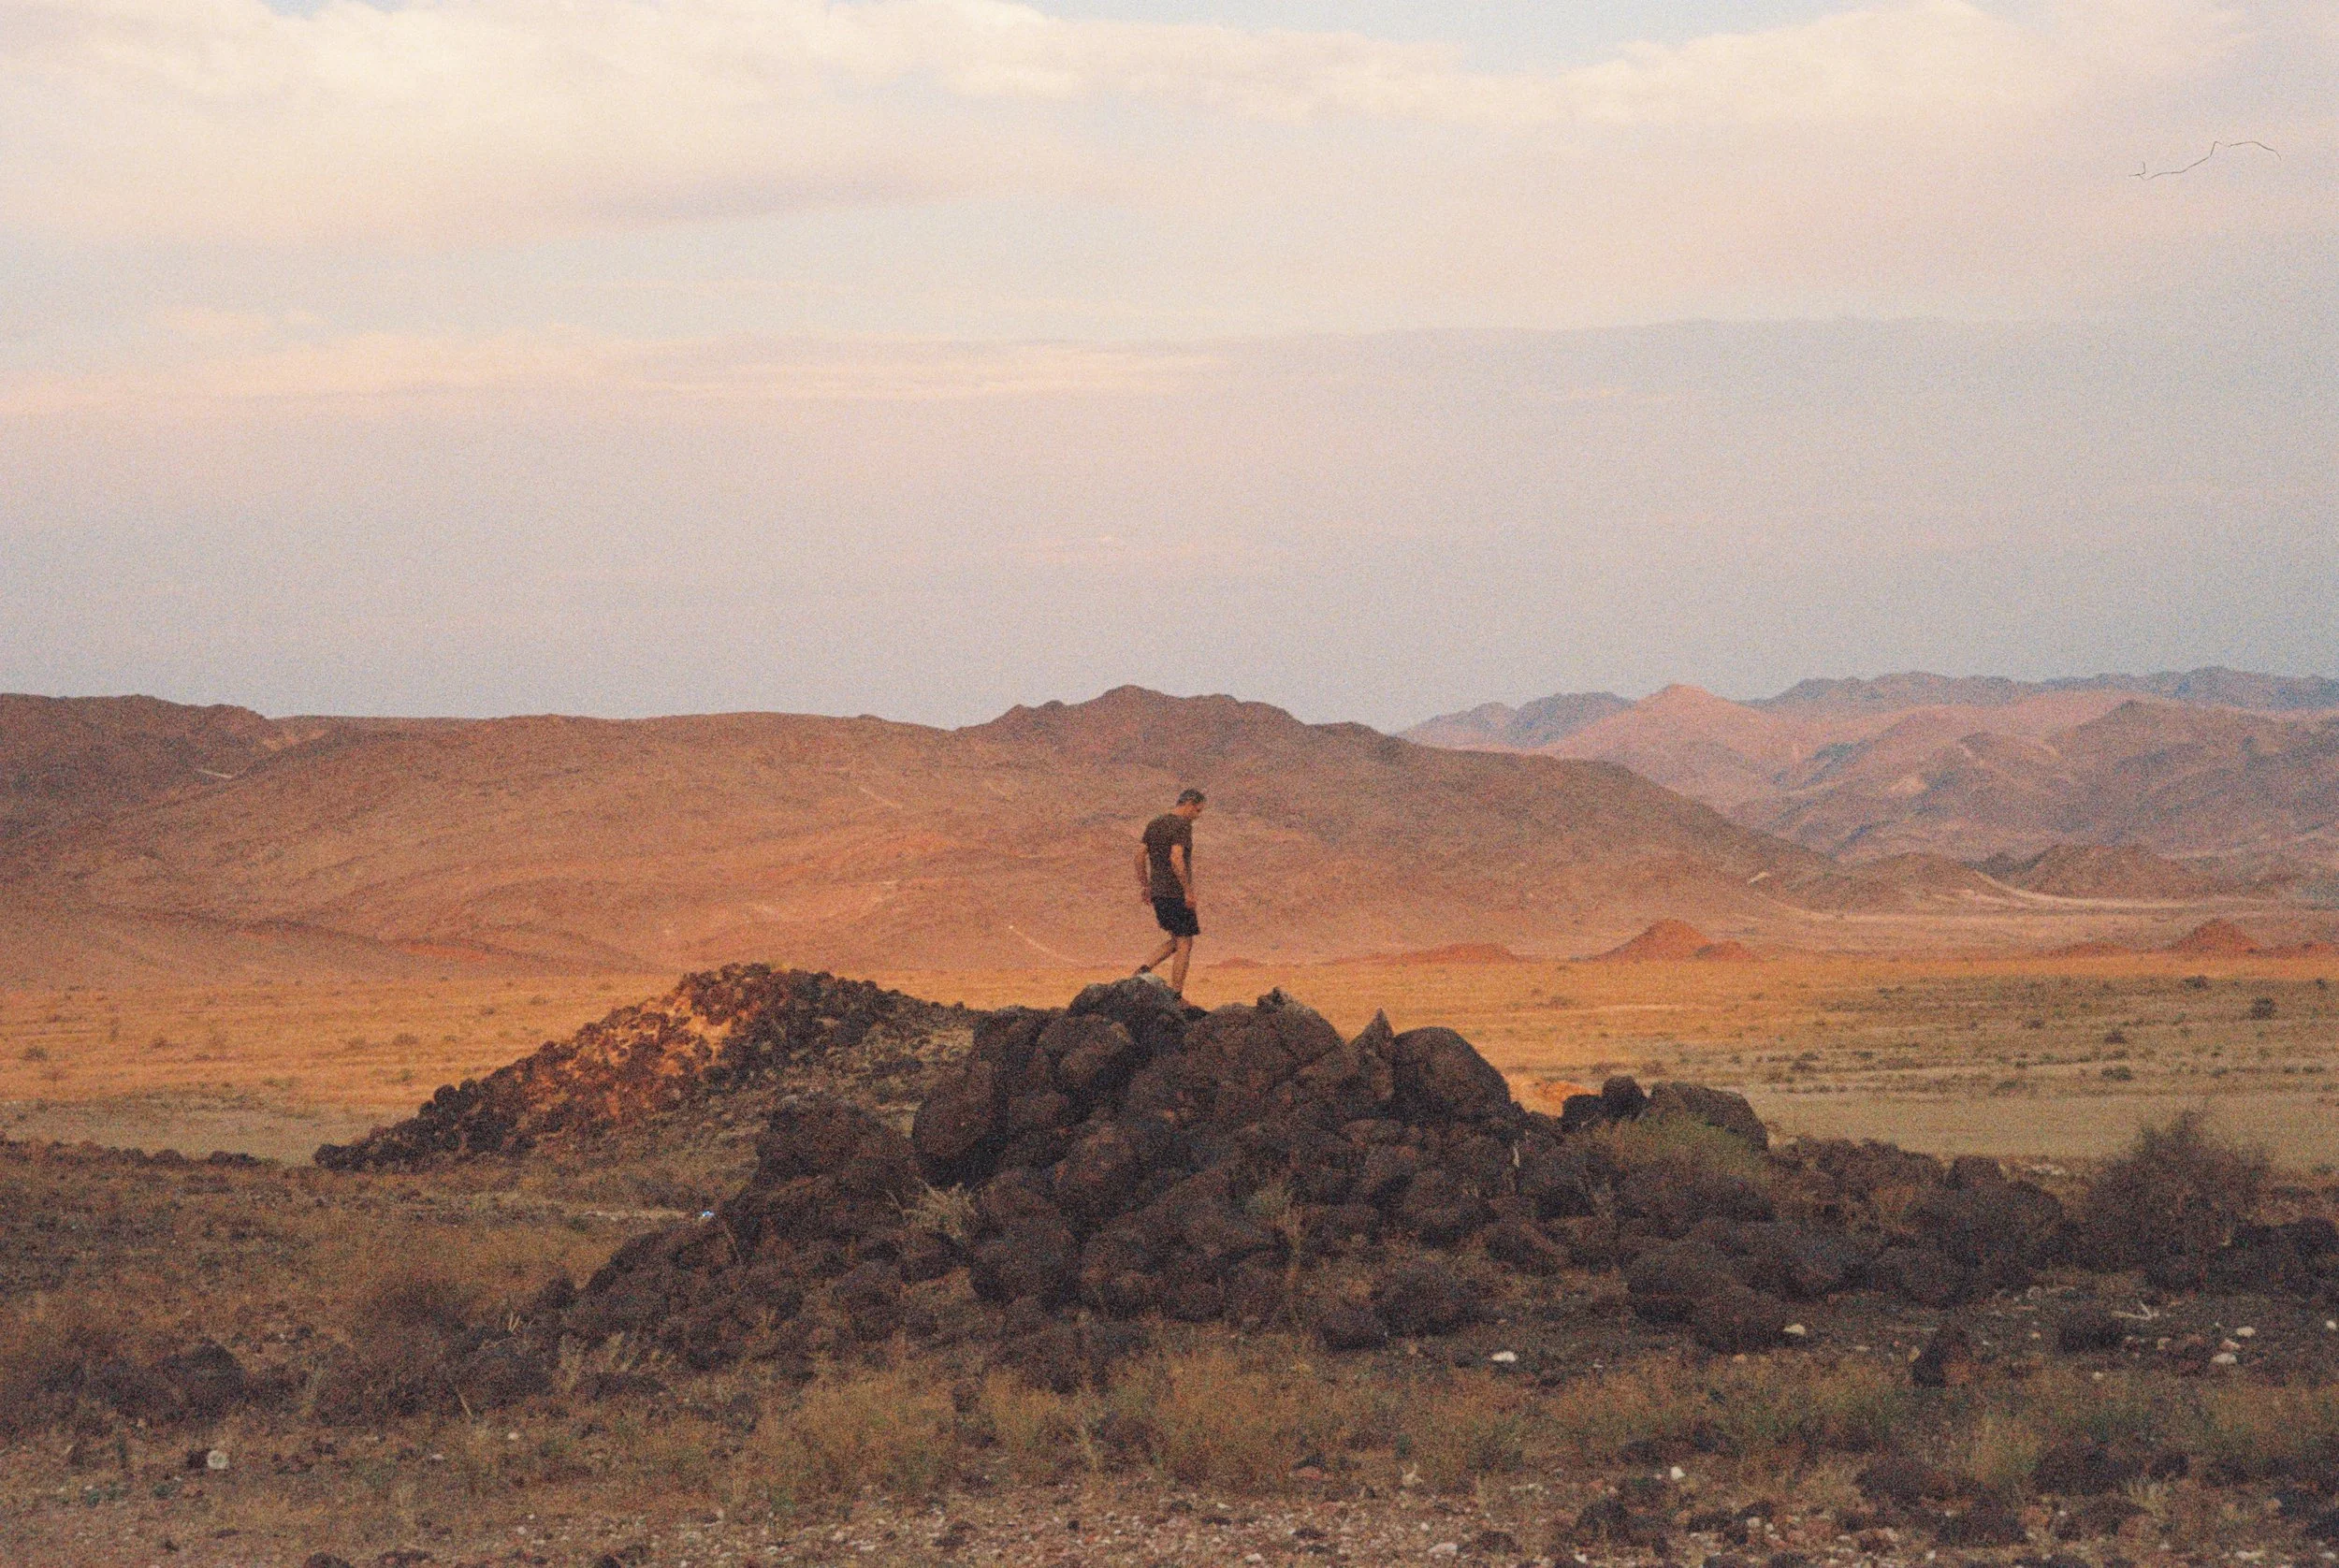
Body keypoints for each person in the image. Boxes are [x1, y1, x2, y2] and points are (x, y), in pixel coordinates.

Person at [1134, 788, 1206, 995]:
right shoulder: (1181, 825)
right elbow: (1176, 858)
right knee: (1185, 942)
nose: (1197, 816)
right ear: (1190, 803)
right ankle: (1176, 994)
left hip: (1158, 893)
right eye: (1198, 810)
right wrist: (1188, 891)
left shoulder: (1155, 824)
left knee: (1177, 938)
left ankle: (1143, 969)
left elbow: (1139, 856)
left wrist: (1146, 886)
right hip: (1175, 893)